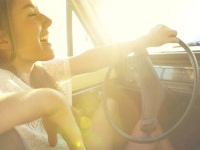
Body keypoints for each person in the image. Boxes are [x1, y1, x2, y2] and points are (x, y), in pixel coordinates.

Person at [0, 0, 179, 149]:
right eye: (32, 14)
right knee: (151, 129)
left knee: (114, 107)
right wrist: (52, 101)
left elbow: (90, 59)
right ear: (3, 40)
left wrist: (144, 40)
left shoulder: (39, 71)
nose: (48, 20)